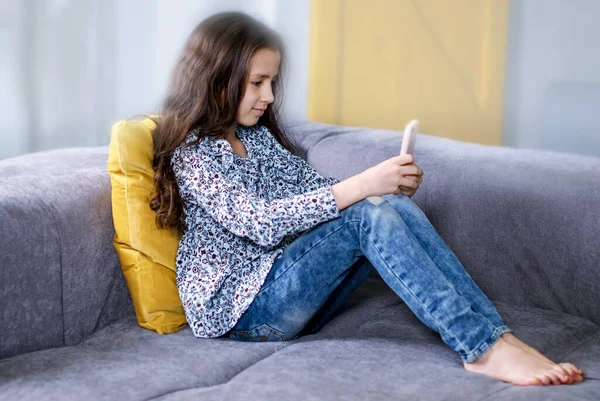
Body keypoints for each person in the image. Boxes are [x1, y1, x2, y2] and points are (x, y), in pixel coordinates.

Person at [150, 11, 584, 387]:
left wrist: (384, 186)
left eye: (272, 82)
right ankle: (482, 348)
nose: (268, 96)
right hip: (242, 312)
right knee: (366, 210)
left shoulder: (256, 140)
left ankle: (496, 337)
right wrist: (364, 187)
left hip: (290, 296)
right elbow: (259, 221)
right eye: (257, 82)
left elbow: (318, 193)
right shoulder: (195, 153)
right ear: (217, 80)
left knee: (384, 207)